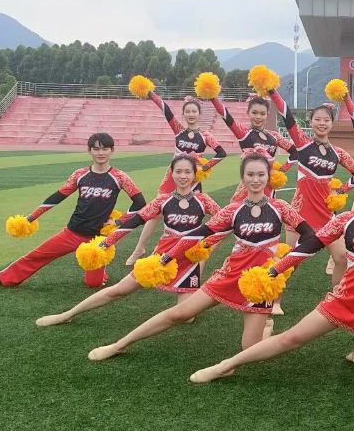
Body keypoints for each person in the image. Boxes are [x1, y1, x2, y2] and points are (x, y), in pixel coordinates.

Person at [187, 164, 354, 386]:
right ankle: (226, 365)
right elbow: (307, 247)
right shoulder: (344, 220)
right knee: (291, 338)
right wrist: (274, 270)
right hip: (345, 298)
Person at [86, 153, 315, 363]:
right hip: (229, 275)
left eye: (260, 175)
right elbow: (197, 235)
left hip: (261, 282)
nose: (255, 180)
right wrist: (166, 258)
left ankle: (266, 327)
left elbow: (309, 237)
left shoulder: (281, 207)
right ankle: (119, 345)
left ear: (268, 177)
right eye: (250, 175)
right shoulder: (232, 210)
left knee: (249, 349)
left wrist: (283, 264)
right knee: (179, 314)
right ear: (243, 178)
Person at [34, 154, 221, 326]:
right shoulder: (162, 201)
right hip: (159, 259)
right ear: (171, 174)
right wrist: (106, 243)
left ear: (195, 174)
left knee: (186, 318)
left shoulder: (204, 200)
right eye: (178, 171)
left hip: (188, 261)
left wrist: (206, 245)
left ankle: (195, 297)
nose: (183, 176)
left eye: (187, 172)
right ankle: (67, 314)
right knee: (118, 290)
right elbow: (134, 222)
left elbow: (226, 223)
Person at [0, 133, 146, 290]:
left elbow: (140, 203)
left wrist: (118, 222)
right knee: (37, 255)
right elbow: (58, 197)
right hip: (73, 231)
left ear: (112, 150)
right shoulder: (80, 174)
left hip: (98, 240)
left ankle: (101, 274)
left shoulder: (120, 177)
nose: (101, 153)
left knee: (93, 284)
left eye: (105, 149)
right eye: (96, 149)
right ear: (89, 151)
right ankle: (0, 278)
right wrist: (31, 217)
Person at [267, 89, 354, 287]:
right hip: (300, 214)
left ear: (332, 123)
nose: (322, 123)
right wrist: (273, 92)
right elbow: (288, 117)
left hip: (327, 216)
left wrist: (341, 190)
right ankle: (274, 300)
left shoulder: (338, 153)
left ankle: (336, 297)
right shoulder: (303, 144)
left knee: (342, 258)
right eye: (317, 119)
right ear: (310, 122)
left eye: (326, 120)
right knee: (288, 262)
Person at [126, 90, 228, 264]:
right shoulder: (179, 130)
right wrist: (151, 94)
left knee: (192, 215)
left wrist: (204, 167)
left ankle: (188, 251)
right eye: (187, 111)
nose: (191, 114)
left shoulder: (205, 136)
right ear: (184, 114)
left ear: (199, 114)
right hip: (171, 178)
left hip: (192, 180)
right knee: (155, 214)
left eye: (194, 111)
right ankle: (139, 249)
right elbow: (165, 109)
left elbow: (221, 153)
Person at [208, 92, 294, 197]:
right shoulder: (243, 134)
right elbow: (226, 116)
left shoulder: (275, 136)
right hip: (248, 189)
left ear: (267, 114)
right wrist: (212, 96)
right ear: (248, 112)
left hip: (269, 189)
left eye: (262, 114)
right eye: (254, 113)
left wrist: (281, 170)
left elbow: (295, 152)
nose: (258, 117)